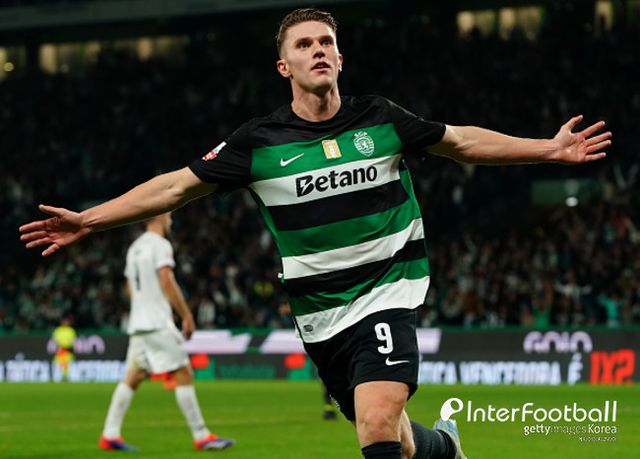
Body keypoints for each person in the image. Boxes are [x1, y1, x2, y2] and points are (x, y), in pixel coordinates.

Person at [19, 8, 611, 459]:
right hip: (321, 313)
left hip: (388, 289)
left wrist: (547, 149)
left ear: (340, 58)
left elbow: (461, 142)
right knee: (397, 438)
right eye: (304, 45)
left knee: (375, 423)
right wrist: (89, 219)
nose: (318, 50)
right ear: (285, 67)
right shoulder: (258, 143)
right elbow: (175, 187)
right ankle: (447, 449)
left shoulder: (380, 118)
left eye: (326, 42)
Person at [97, 212, 234, 452]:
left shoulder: (135, 247)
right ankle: (202, 435)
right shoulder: (160, 245)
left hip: (138, 321)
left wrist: (143, 305)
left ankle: (110, 434)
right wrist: (186, 315)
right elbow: (166, 280)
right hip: (157, 323)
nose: (170, 220)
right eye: (168, 215)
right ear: (159, 216)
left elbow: (129, 285)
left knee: (133, 376)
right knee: (183, 372)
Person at [52, 315, 76, 381]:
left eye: (67, 321)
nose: (65, 323)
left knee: (69, 364)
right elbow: (55, 340)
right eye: (64, 321)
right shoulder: (58, 330)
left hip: (68, 350)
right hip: (60, 350)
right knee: (58, 364)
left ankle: (70, 377)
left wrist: (74, 347)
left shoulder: (70, 330)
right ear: (61, 322)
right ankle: (57, 378)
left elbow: (73, 341)